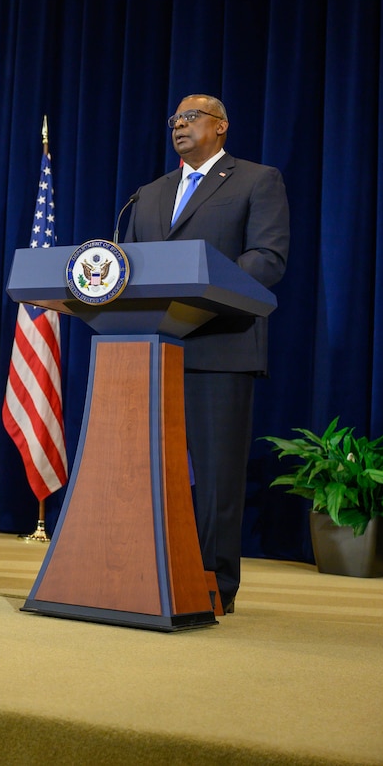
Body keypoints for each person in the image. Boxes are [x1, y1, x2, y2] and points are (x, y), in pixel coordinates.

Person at [123, 94, 290, 613]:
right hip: (151, 348)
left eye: (190, 117)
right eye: (174, 119)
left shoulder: (257, 180)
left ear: (221, 127)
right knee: (144, 470)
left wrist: (197, 292)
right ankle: (143, 572)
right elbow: (126, 264)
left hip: (220, 344)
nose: (179, 126)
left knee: (217, 477)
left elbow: (266, 259)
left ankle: (214, 583)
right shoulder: (148, 194)